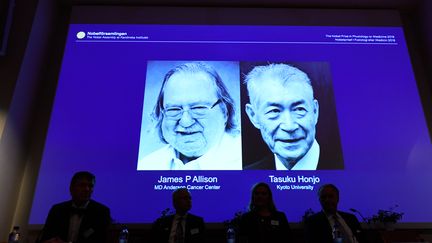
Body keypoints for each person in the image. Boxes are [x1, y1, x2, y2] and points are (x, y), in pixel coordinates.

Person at [137, 62, 241, 170]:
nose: (185, 121)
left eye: (199, 108)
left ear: (224, 112)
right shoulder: (146, 166)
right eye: (174, 109)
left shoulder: (242, 162)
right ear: (161, 115)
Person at [244, 63, 322, 170]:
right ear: (253, 116)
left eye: (299, 109)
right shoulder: (248, 174)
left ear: (315, 111)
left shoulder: (347, 166)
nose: (289, 126)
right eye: (274, 111)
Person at [39, 171, 111, 243]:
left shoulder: (101, 212)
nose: (87, 189)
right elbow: (45, 237)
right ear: (71, 188)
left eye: (90, 186)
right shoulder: (57, 210)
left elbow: (101, 240)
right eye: (82, 185)